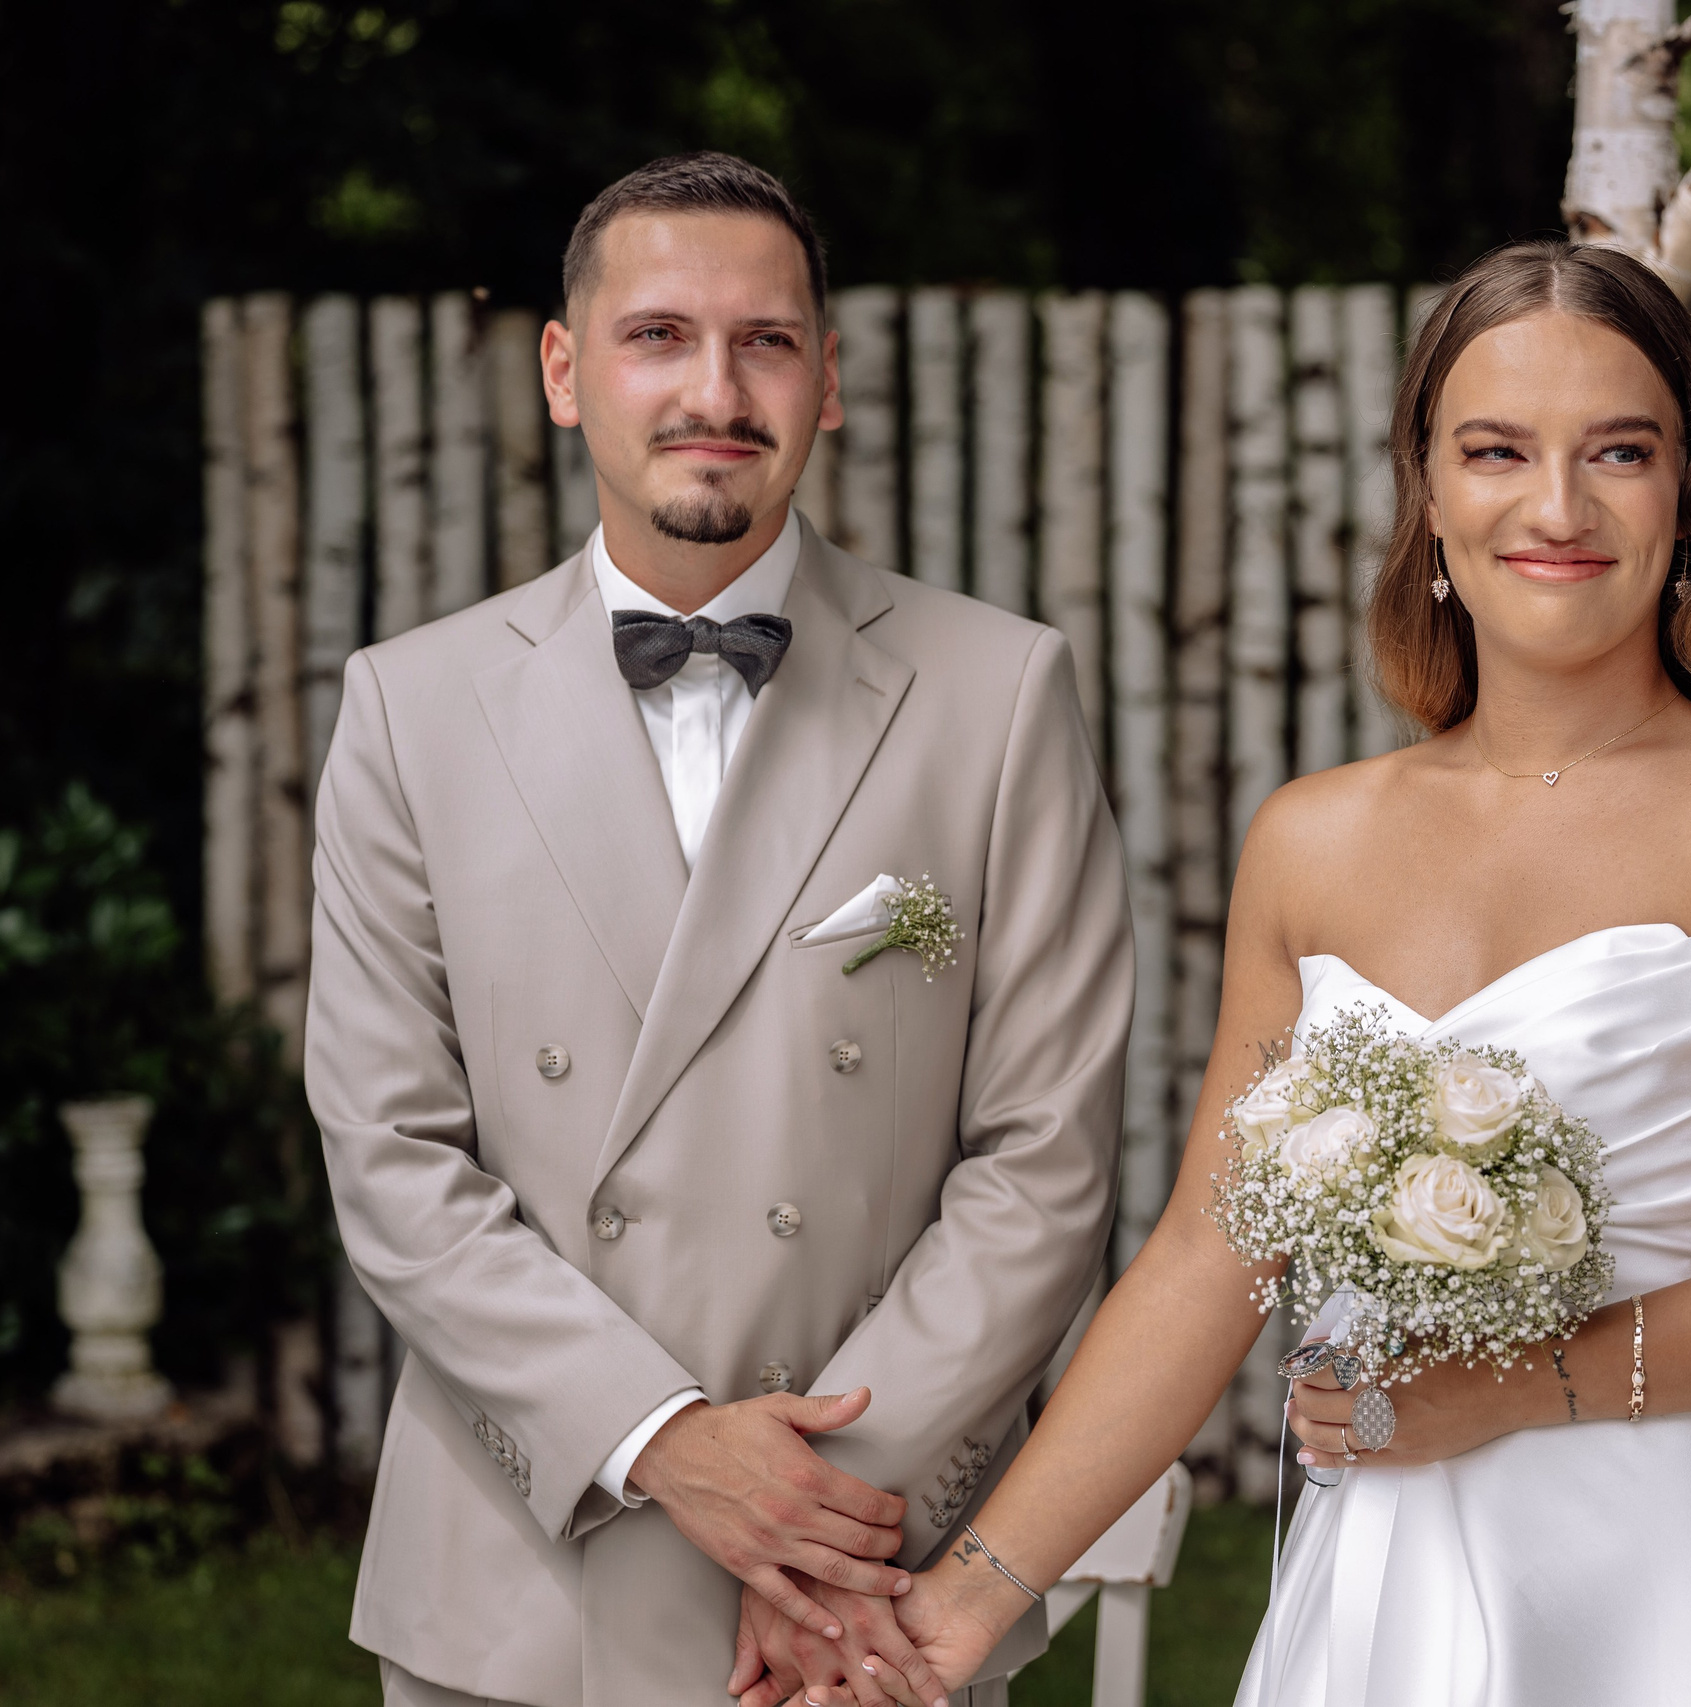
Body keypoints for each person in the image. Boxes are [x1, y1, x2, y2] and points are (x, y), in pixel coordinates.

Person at [812, 242, 1691, 1707]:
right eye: (1496, 451)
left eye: (1621, 450)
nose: (1557, 507)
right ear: (1428, 492)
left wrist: (1522, 1387)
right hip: (1402, 1567)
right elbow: (1207, 1264)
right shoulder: (1312, 840)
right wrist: (954, 1614)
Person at [305, 151, 1133, 1707]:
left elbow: (1047, 1162)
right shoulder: (410, 708)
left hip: (870, 1602)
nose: (716, 389)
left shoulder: (998, 692)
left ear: (829, 378)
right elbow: (392, 1160)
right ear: (566, 371)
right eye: (659, 336)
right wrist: (664, 1445)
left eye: (766, 341)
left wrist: (814, 1528)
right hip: (522, 1585)